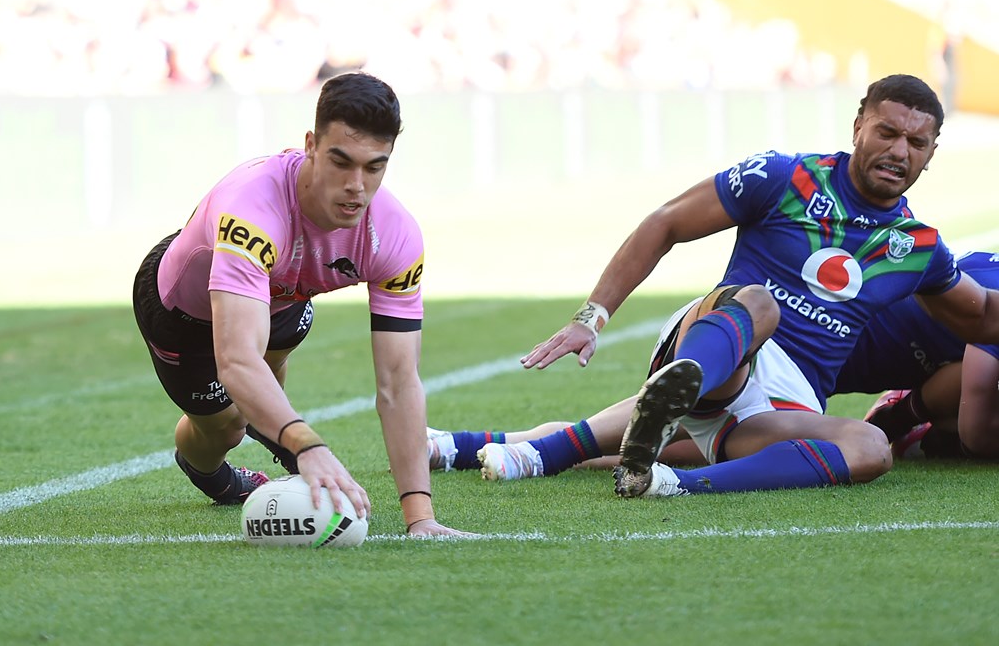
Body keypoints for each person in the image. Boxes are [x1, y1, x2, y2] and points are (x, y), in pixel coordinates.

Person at [473, 74, 999, 497]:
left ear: (931, 153)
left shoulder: (918, 247)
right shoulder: (784, 177)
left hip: (779, 407)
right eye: (887, 133)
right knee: (760, 302)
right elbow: (666, 223)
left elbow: (982, 315)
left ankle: (668, 483)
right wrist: (591, 318)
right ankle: (675, 392)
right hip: (725, 344)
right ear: (858, 125)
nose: (900, 151)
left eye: (916, 142)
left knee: (870, 446)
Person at [131, 71, 467, 536]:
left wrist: (420, 517)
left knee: (265, 382)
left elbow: (399, 381)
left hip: (284, 300)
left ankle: (272, 424)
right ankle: (213, 471)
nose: (356, 186)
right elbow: (236, 361)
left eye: (374, 167)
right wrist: (307, 446)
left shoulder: (395, 235)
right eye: (340, 162)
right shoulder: (252, 208)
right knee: (228, 426)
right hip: (184, 312)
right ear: (311, 145)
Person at [427, 250, 999, 472]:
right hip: (754, 346)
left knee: (636, 445)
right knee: (749, 315)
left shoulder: (957, 263)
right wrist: (591, 315)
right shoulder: (787, 179)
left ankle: (459, 446)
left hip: (798, 395)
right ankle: (530, 452)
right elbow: (977, 421)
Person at [835, 249, 999, 460]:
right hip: (831, 343)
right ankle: (914, 422)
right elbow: (976, 435)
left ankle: (910, 418)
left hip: (845, 320)